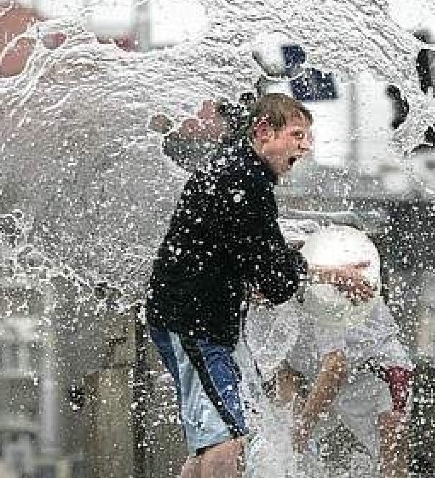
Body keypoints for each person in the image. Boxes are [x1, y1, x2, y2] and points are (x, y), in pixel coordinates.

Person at [145, 93, 375, 478]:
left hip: (194, 321)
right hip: (194, 325)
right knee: (226, 440)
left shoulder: (239, 173)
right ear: (264, 131)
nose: (306, 145)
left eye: (308, 136)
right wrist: (332, 274)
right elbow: (274, 275)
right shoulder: (244, 181)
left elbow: (248, 259)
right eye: (297, 134)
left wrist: (272, 276)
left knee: (212, 439)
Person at [255, 225, 415, 478]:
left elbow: (336, 366)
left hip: (375, 372)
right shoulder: (270, 304)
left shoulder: (324, 291)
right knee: (283, 449)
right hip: (317, 377)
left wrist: (302, 429)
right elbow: (287, 371)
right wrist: (291, 426)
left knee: (390, 466)